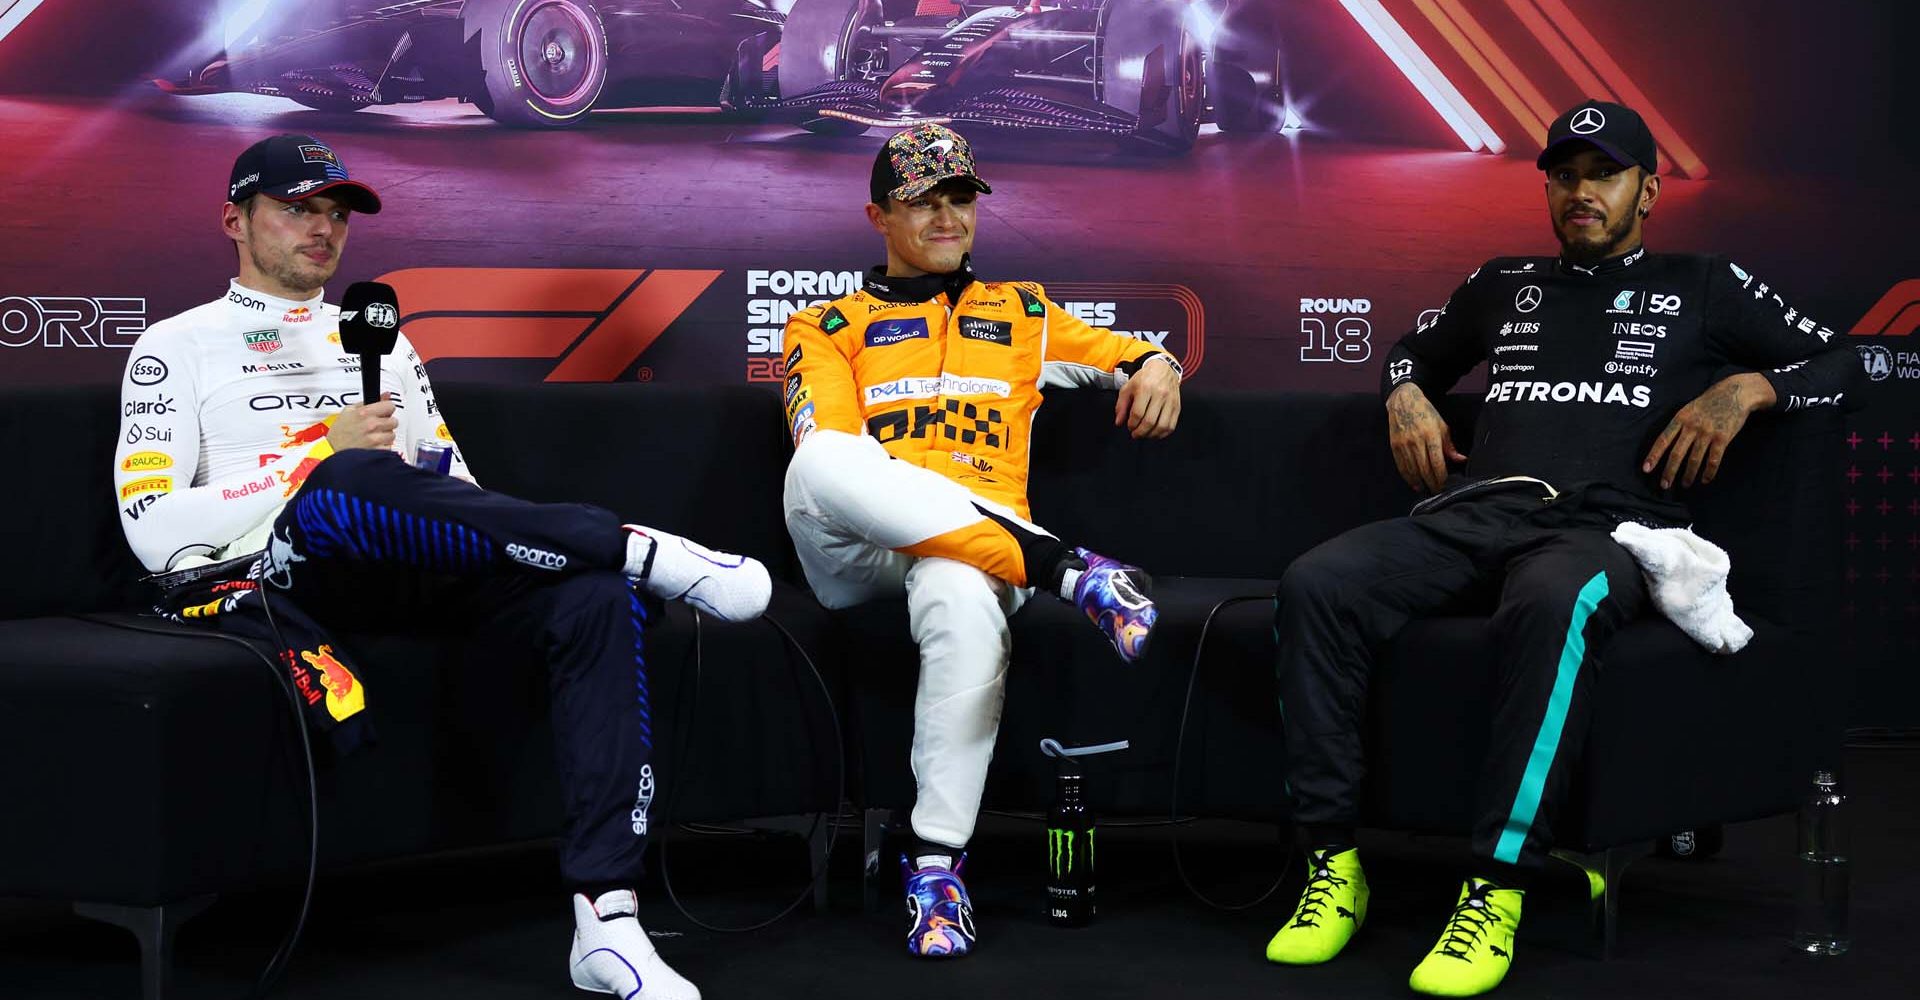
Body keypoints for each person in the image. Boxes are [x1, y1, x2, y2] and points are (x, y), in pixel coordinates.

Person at [112, 133, 772, 1000]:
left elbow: (458, 492)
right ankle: (641, 545)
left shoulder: (384, 342)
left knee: (592, 599)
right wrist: (317, 452)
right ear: (234, 219)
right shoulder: (175, 347)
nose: (324, 228)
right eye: (298, 208)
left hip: (416, 567)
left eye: (336, 213)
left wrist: (389, 474)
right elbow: (156, 531)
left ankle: (607, 920)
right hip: (284, 576)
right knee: (348, 477)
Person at [1265, 101, 1863, 996]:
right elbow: (1409, 353)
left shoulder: (1703, 282)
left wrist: (1745, 390)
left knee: (1554, 603)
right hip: (1473, 513)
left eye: (1605, 175)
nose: (1581, 192)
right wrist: (1406, 394)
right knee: (1317, 583)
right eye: (1565, 174)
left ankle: (1495, 888)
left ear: (1648, 191)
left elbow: (1846, 362)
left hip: (1606, 529)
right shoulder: (1502, 282)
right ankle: (1330, 872)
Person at [780, 123, 1183, 958]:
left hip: (973, 560)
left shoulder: (1024, 313)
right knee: (820, 457)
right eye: (921, 201)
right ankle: (1075, 573)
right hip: (860, 554)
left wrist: (1158, 365)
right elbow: (836, 464)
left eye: (959, 198)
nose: (945, 218)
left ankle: (935, 868)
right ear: (877, 217)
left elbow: (1131, 352)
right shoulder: (824, 325)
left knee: (958, 586)